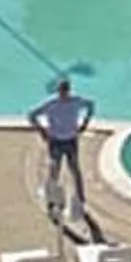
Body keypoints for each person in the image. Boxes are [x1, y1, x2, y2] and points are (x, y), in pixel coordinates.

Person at [27, 77, 96, 219]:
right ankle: (51, 201)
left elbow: (91, 105)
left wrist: (85, 123)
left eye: (65, 91)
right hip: (56, 140)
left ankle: (81, 199)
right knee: (55, 169)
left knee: (74, 169)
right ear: (59, 91)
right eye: (62, 91)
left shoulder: (76, 101)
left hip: (71, 139)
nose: (64, 94)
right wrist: (42, 130)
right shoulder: (51, 104)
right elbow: (32, 115)